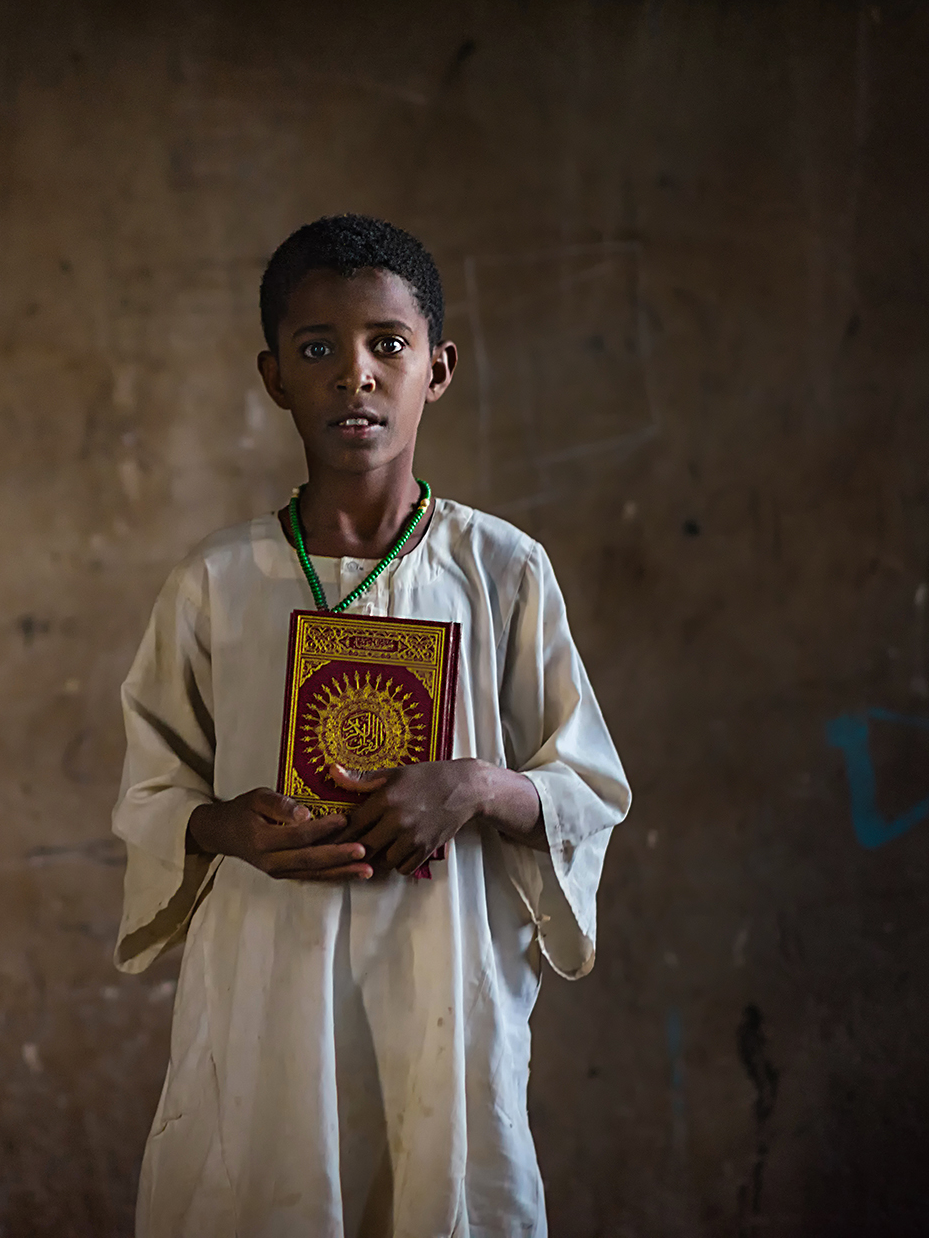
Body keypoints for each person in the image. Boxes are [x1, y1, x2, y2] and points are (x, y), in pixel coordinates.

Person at [111, 214, 631, 1237]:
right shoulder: (218, 583)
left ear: (435, 371)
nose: (355, 375)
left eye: (385, 345)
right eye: (318, 349)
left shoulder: (502, 572)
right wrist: (225, 828)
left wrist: (478, 786)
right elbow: (152, 790)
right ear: (274, 377)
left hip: (442, 978)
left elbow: (587, 790)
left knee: (439, 1187)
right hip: (268, 979)